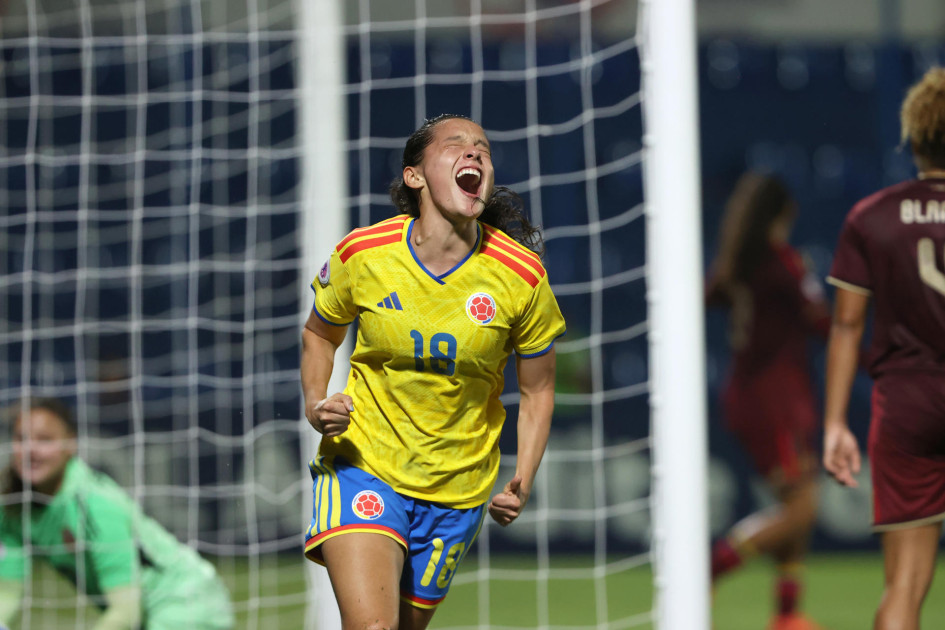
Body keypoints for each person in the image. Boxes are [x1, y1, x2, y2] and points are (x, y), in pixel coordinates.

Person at [301, 113, 565, 630]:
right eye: (456, 145)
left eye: (482, 149)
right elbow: (319, 333)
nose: (474, 154)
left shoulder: (521, 277)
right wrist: (316, 402)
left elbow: (539, 390)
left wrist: (523, 479)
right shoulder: (365, 254)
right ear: (414, 176)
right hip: (364, 462)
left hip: (457, 488)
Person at [823, 66, 945, 630]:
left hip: (907, 405)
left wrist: (834, 424)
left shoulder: (871, 217)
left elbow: (846, 327)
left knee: (905, 585)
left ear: (914, 138)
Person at [706, 172, 831, 630]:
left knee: (796, 502)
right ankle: (711, 569)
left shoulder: (734, 265)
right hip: (778, 400)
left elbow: (703, 299)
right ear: (784, 214)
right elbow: (823, 322)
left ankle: (787, 614)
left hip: (747, 395)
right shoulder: (784, 264)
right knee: (803, 509)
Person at [0, 397, 234, 630]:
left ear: (71, 444)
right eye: (22, 438)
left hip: (188, 603)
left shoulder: (93, 505)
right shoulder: (13, 508)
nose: (31, 450)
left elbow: (126, 613)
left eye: (45, 440)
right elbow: (7, 592)